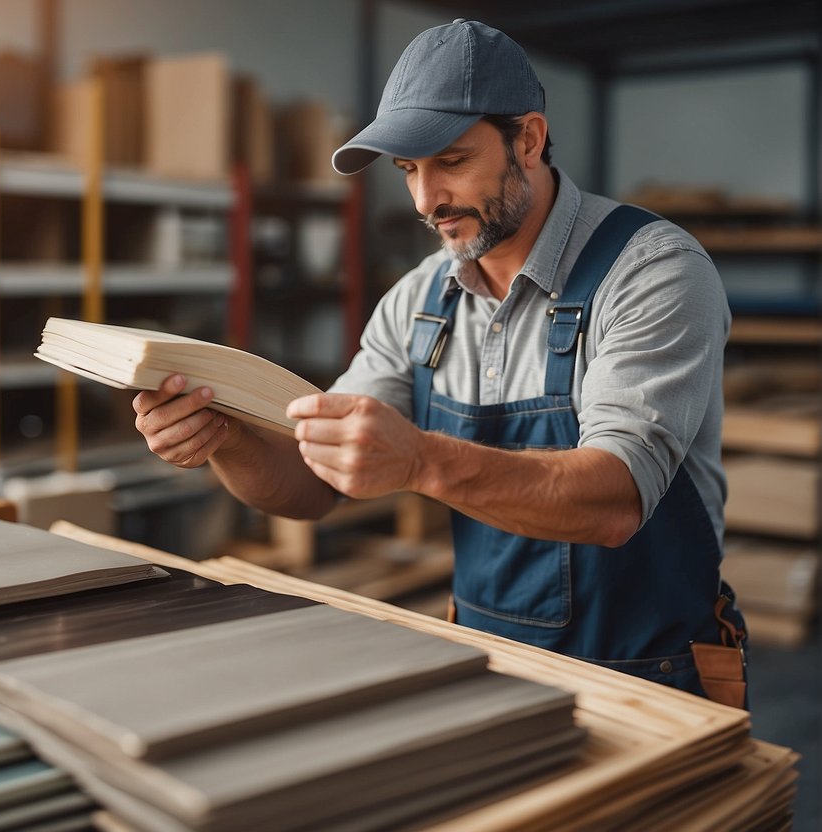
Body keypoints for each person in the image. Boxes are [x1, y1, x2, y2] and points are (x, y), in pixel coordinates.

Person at [131, 19, 747, 706]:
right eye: (407, 171)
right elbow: (311, 486)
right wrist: (227, 439)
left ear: (529, 139)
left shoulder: (652, 272)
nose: (426, 202)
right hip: (488, 665)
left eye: (449, 161)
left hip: (651, 672)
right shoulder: (420, 300)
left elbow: (614, 502)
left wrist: (420, 461)